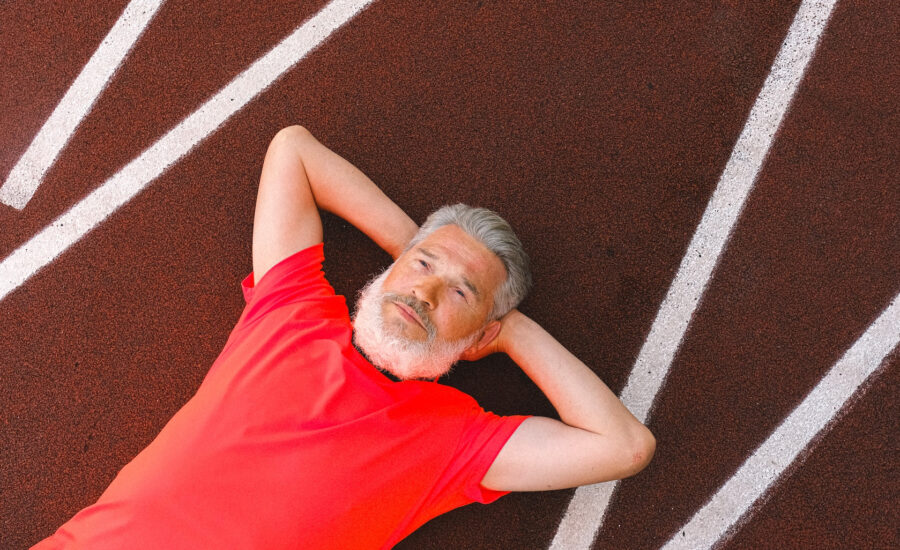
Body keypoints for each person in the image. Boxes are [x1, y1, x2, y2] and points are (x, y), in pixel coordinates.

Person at [33, 125, 655, 549]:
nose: (426, 294)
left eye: (460, 294)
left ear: (479, 336)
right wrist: (411, 253)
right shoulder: (293, 313)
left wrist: (511, 333)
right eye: (423, 266)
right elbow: (292, 152)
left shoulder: (451, 441)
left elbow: (622, 446)